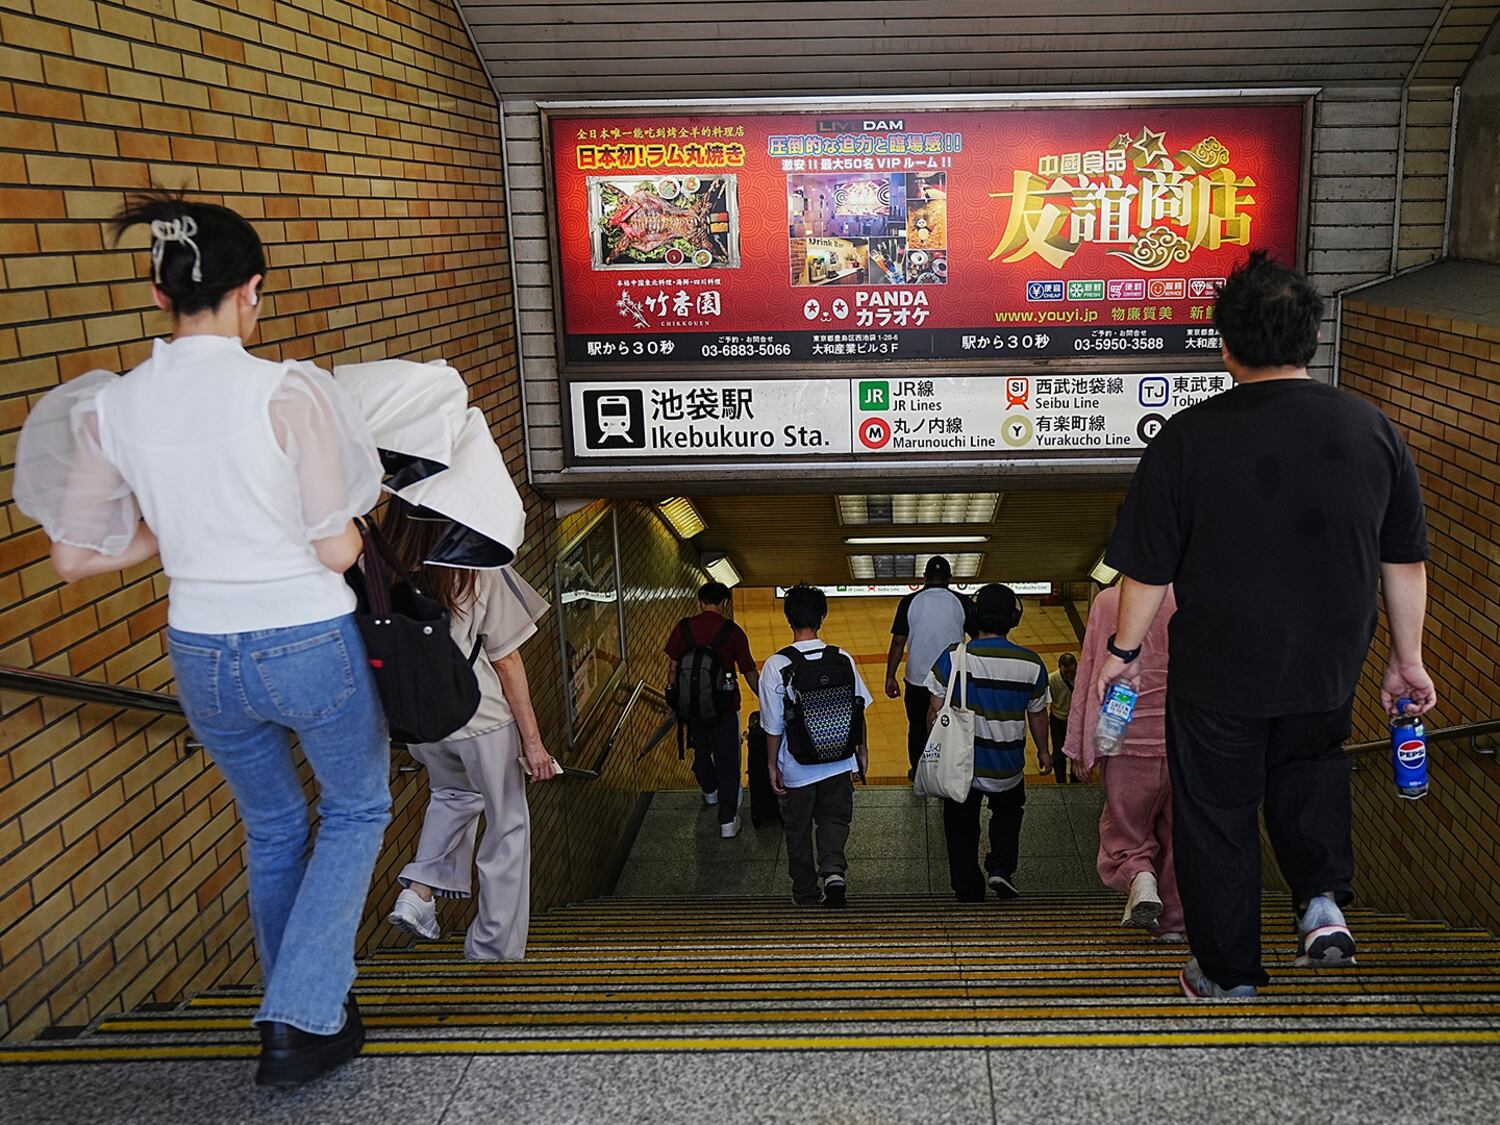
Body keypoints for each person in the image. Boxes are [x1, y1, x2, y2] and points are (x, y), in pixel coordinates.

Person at [14, 192, 389, 1087]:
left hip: (201, 651)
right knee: (358, 808)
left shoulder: (114, 406)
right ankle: (300, 1015)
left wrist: (178, 536)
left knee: (272, 827)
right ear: (251, 290)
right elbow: (336, 543)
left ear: (158, 294)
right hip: (305, 636)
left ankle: (302, 1005)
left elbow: (73, 555)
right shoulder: (288, 389)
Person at [1095, 252, 1435, 999]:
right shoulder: (1373, 430)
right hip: (1328, 661)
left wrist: (1122, 653)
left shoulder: (1186, 439)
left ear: (1226, 344)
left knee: (1218, 811)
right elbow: (1404, 559)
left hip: (1219, 668)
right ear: (1310, 336)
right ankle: (1320, 900)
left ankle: (1228, 973)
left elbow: (1148, 570)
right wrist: (1406, 658)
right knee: (1310, 767)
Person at [380, 497, 560, 960]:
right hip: (478, 716)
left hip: (418, 721)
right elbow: (507, 657)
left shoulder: (376, 561)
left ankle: (419, 891)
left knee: (454, 796)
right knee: (508, 826)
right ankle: (493, 948)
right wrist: (534, 744)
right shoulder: (474, 564)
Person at [1065, 585, 1184, 941]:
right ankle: (1174, 926)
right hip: (1188, 740)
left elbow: (1091, 672)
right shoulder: (1202, 591)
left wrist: (1082, 746)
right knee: (1180, 837)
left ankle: (1139, 876)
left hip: (1124, 737)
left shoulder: (1110, 602)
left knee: (1125, 829)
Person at [926, 584, 1052, 902]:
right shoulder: (1032, 664)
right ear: (1014, 619)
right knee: (1009, 814)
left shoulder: (953, 657)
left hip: (962, 764)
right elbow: (1038, 715)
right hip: (1009, 764)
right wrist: (1043, 750)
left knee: (960, 825)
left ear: (975, 615)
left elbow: (934, 709)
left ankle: (968, 887)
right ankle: (1000, 868)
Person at [761, 584, 872, 906]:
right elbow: (858, 706)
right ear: (823, 616)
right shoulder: (842, 657)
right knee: (834, 819)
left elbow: (772, 726)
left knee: (797, 829)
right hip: (839, 758)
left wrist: (772, 765)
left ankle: (805, 892)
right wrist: (861, 750)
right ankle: (834, 872)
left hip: (798, 766)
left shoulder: (776, 665)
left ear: (787, 618)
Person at [664, 582, 759, 838]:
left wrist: (672, 701)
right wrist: (765, 698)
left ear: (699, 602)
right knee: (728, 761)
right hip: (726, 708)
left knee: (701, 751)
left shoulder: (683, 628)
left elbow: (673, 668)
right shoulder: (733, 632)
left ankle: (710, 792)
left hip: (692, 708)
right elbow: (748, 670)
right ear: (725, 604)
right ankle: (727, 821)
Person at [886, 556, 971, 778]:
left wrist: (890, 676)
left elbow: (898, 641)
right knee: (951, 727)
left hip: (917, 680)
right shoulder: (962, 602)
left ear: (924, 578)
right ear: (950, 579)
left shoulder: (909, 601)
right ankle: (946, 771)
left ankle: (919, 771)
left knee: (916, 727)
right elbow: (980, 638)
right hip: (953, 681)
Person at [1048, 653, 1078, 783]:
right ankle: (1060, 782)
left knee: (1075, 753)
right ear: (1059, 668)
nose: (1069, 675)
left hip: (1076, 720)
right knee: (1058, 754)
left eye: (1071, 672)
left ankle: (1075, 781)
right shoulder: (1052, 679)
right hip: (1058, 719)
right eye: (1066, 672)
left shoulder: (1082, 678)